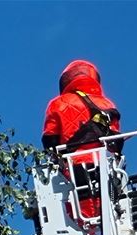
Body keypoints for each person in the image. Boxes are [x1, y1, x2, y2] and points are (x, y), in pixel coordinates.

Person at [42, 59, 123, 219]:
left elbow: (50, 139)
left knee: (80, 213)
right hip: (102, 164)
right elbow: (116, 142)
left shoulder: (57, 104)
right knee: (106, 207)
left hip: (74, 166)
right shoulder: (106, 104)